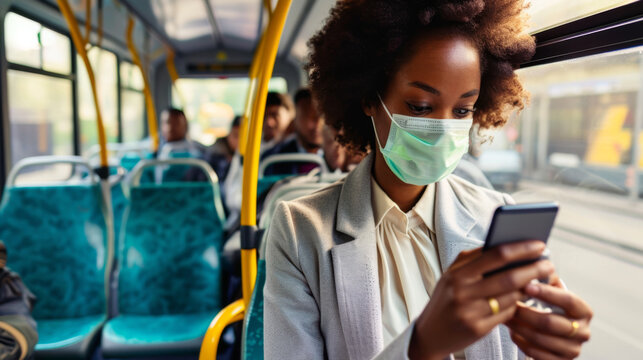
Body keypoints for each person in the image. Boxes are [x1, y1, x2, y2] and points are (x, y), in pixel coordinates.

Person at [263, 1, 593, 360]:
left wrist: (555, 338)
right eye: (421, 106)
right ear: (369, 99)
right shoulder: (299, 232)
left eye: (463, 110)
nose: (444, 128)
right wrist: (422, 345)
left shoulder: (496, 214)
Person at [261, 88, 325, 175]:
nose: (318, 123)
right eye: (309, 117)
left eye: (321, 116)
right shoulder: (273, 160)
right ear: (294, 120)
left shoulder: (338, 156)